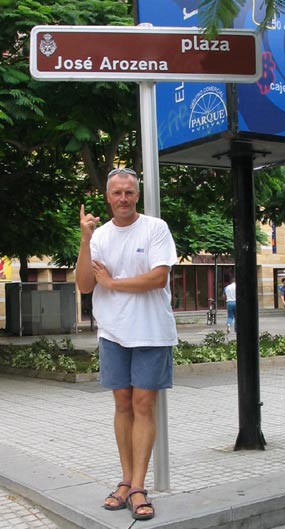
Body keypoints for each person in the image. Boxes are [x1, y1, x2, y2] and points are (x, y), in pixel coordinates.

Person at [75, 167, 178, 521]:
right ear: (108, 196)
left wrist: (115, 284)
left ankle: (137, 487)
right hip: (113, 333)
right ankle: (125, 481)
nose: (123, 198)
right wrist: (85, 240)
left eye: (129, 193)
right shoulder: (99, 236)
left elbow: (158, 276)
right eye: (117, 193)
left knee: (143, 403)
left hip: (151, 331)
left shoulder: (155, 228)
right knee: (122, 404)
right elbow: (87, 285)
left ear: (137, 195)